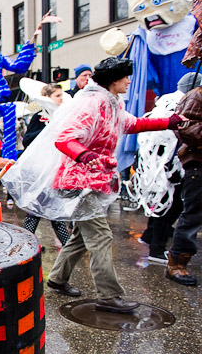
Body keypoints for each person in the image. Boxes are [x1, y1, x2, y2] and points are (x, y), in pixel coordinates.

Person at [46, 57, 186, 312]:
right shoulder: (92, 102)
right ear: (113, 80)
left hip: (91, 180)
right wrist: (85, 155)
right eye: (125, 77)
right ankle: (109, 296)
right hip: (79, 182)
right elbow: (65, 137)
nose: (129, 81)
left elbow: (132, 124)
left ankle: (57, 279)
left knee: (81, 236)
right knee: (100, 235)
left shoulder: (111, 102)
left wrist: (168, 122)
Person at [21, 83, 71, 246]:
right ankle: (26, 244)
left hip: (58, 172)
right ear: (47, 98)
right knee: (35, 210)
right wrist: (47, 130)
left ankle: (67, 246)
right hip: (40, 172)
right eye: (57, 96)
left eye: (62, 95)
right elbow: (27, 139)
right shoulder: (39, 117)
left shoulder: (65, 116)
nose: (61, 99)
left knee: (55, 213)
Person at [167, 71, 202, 285]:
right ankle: (176, 264)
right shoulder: (196, 95)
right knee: (193, 215)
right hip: (198, 165)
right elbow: (183, 127)